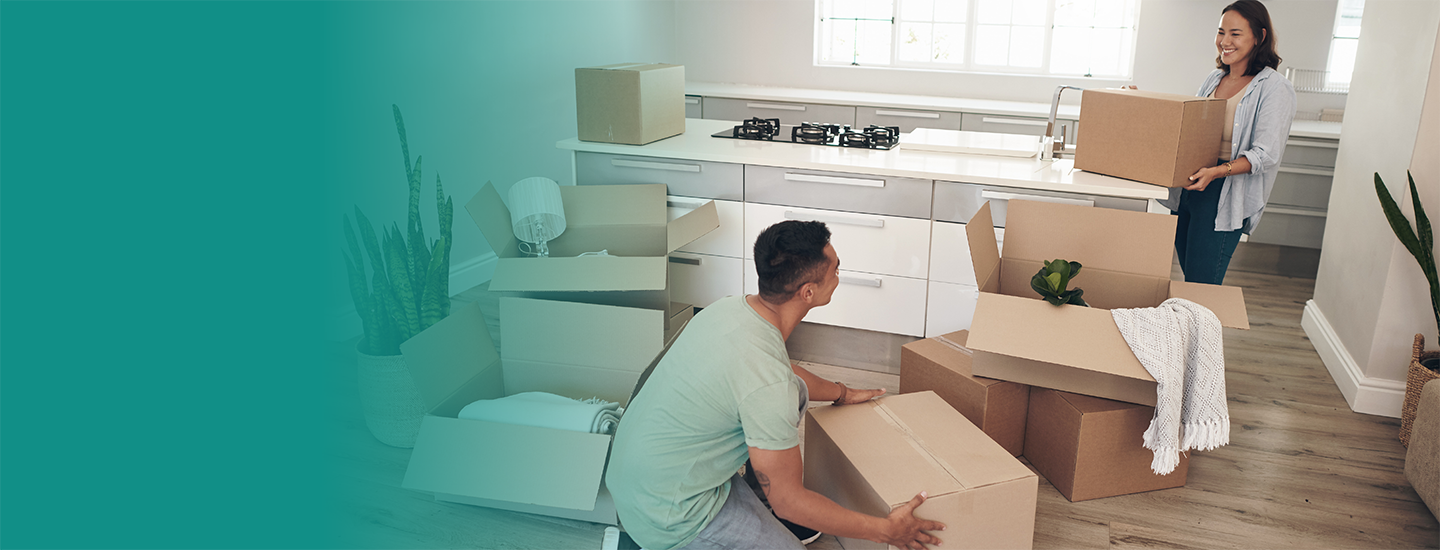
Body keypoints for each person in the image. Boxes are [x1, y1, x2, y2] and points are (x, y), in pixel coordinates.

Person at [607, 220, 946, 550]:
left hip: (639, 476)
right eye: (835, 270)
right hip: (671, 514)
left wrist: (843, 392)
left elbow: (782, 374)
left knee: (793, 390)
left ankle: (758, 502)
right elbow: (790, 502)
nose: (839, 276)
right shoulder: (769, 386)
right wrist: (887, 531)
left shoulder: (729, 309)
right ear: (808, 292)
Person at [1159, 0, 1297, 285]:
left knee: (1203, 283)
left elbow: (1265, 153)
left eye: (1235, 33)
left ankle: (1201, 330)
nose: (1225, 41)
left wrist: (1217, 172)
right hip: (1192, 186)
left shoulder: (1275, 88)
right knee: (1191, 276)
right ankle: (1193, 328)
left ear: (1259, 37)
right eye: (1221, 32)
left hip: (1223, 191)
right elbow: (1194, 128)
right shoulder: (1214, 79)